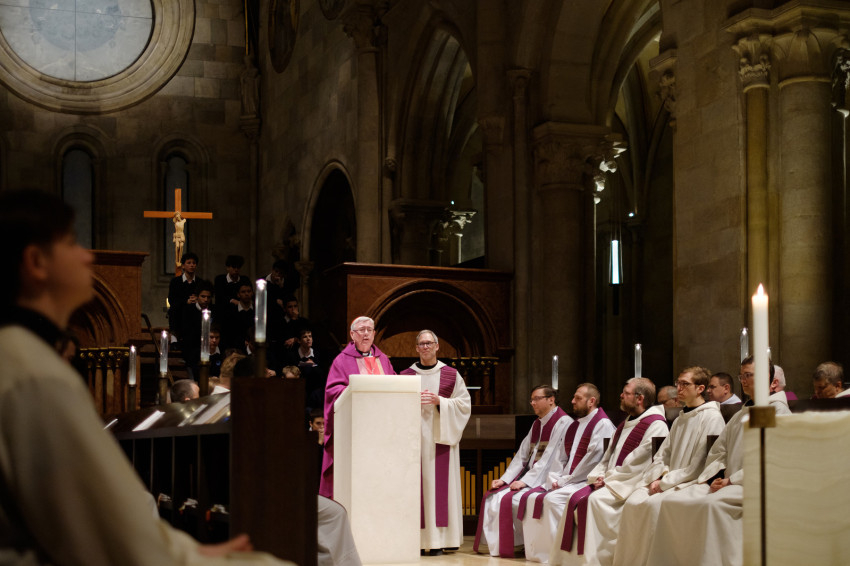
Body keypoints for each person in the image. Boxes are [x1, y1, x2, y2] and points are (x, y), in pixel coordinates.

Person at [0, 189, 287, 565]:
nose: (86, 255)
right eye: (71, 243)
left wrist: (185, 549)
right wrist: (191, 556)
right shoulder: (37, 376)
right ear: (36, 262)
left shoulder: (21, 358)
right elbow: (100, 529)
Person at [640, 357, 791, 566]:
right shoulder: (741, 414)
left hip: (755, 484)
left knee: (711, 506)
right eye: (741, 376)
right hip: (728, 482)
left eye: (749, 375)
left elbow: (772, 458)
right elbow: (719, 450)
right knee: (672, 502)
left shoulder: (776, 411)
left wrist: (731, 480)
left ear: (769, 379)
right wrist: (715, 475)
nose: (743, 380)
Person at [612, 366, 726, 566]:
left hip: (690, 481)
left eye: (685, 384)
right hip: (667, 479)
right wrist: (658, 476)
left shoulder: (712, 417)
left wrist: (666, 482)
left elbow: (700, 463)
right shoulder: (681, 418)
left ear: (700, 388)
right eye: (678, 383)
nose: (679, 388)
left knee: (655, 506)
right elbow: (663, 454)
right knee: (633, 501)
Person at [549, 378, 669, 566]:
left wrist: (608, 478)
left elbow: (638, 461)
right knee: (574, 498)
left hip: (630, 482)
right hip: (613, 480)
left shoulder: (656, 424)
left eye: (626, 393)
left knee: (595, 501)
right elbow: (607, 457)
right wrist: (599, 475)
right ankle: (570, 561)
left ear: (639, 399)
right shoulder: (626, 422)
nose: (621, 395)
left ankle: (598, 560)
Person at [473, 385, 573, 558]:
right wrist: (505, 479)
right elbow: (522, 455)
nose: (532, 403)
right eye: (531, 400)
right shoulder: (537, 423)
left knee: (509, 499)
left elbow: (548, 459)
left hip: (548, 479)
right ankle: (508, 545)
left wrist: (525, 482)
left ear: (551, 400)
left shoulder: (563, 422)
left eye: (536, 399)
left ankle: (521, 543)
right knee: (494, 496)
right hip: (533, 476)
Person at [520, 384, 615, 563]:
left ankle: (561, 554)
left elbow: (592, 460)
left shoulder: (602, 424)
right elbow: (560, 457)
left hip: (587, 480)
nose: (572, 401)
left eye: (578, 398)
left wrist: (565, 480)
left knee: (552, 500)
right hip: (569, 480)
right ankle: (539, 553)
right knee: (532, 498)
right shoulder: (575, 425)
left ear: (591, 401)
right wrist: (555, 478)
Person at [400, 330, 471, 555]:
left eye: (429, 343)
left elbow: (464, 404)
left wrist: (440, 401)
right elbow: (396, 406)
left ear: (437, 346)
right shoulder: (406, 376)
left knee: (440, 488)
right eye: (421, 344)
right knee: (418, 487)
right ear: (416, 348)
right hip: (415, 442)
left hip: (441, 438)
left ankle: (442, 539)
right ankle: (418, 540)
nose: (425, 347)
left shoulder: (451, 374)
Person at [319, 316, 395, 499]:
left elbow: (395, 387)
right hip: (355, 430)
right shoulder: (341, 361)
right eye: (361, 330)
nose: (366, 334)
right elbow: (332, 392)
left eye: (369, 330)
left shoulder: (383, 360)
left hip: (382, 432)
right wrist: (354, 390)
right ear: (352, 335)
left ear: (374, 334)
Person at [167, 251, 203, 340]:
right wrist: (186, 301)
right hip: (179, 315)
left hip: (195, 315)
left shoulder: (200, 282)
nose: (192, 265)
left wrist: (197, 300)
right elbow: (172, 300)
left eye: (194, 263)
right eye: (189, 263)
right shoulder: (175, 282)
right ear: (183, 266)